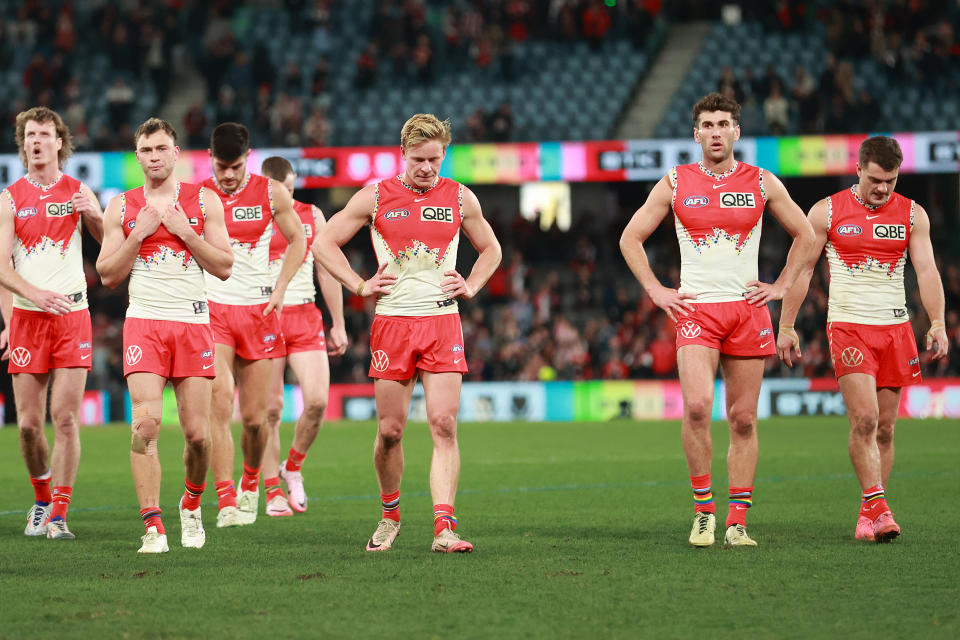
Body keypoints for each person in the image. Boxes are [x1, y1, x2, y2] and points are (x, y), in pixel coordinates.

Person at [619, 93, 815, 548]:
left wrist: (782, 285)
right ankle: (704, 512)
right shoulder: (675, 181)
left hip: (748, 311)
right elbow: (630, 237)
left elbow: (806, 234)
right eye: (707, 125)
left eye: (723, 124)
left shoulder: (761, 181)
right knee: (696, 408)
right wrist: (655, 289)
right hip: (697, 310)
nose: (715, 132)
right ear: (696, 133)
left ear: (736, 132)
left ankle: (737, 521)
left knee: (743, 418)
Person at [315, 113, 501, 553]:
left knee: (443, 422)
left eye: (435, 159)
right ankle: (390, 515)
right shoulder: (376, 196)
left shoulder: (459, 197)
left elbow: (491, 248)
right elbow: (323, 243)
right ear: (403, 153)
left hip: (441, 321)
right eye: (419, 159)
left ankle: (444, 528)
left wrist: (471, 285)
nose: (427, 168)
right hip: (393, 324)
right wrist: (359, 285)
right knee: (391, 431)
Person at [776, 136, 948, 543]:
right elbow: (802, 270)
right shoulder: (827, 211)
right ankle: (880, 506)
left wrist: (938, 321)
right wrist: (786, 324)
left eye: (890, 180)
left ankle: (867, 514)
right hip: (849, 326)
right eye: (875, 179)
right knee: (865, 419)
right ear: (859, 169)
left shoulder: (912, 215)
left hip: (896, 329)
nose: (883, 188)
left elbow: (927, 271)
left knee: (886, 429)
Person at [96, 118, 233, 553]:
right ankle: (153, 526)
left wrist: (185, 231)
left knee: (198, 436)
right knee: (147, 423)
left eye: (161, 149)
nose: (154, 157)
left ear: (176, 154)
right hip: (146, 324)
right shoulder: (120, 206)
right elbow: (106, 274)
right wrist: (138, 232)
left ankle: (190, 505)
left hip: (193, 324)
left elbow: (225, 266)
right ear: (137, 157)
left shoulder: (204, 200)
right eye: (146, 150)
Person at [0, 106, 104, 540]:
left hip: (73, 317)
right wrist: (33, 294)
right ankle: (41, 499)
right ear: (23, 145)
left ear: (60, 142)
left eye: (44, 133)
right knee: (27, 424)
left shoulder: (80, 191)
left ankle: (58, 513)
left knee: (64, 419)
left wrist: (94, 215)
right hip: (28, 317)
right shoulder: (9, 199)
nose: (36, 141)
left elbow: (111, 251)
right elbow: (0, 264)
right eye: (29, 135)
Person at [202, 123, 307, 527]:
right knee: (220, 400)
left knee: (255, 419)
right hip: (213, 310)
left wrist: (281, 288)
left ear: (248, 158)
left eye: (236, 166)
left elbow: (298, 239)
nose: (228, 175)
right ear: (210, 158)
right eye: (221, 166)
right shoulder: (199, 195)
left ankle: (250, 481)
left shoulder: (271, 192)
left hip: (258, 312)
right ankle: (227, 499)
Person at [259, 155, 347, 517]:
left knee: (316, 403)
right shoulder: (250, 219)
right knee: (271, 409)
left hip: (305, 315)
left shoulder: (312, 215)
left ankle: (292, 467)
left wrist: (338, 322)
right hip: (264, 318)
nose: (288, 198)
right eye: (282, 191)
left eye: (292, 190)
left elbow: (326, 270)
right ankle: (270, 490)